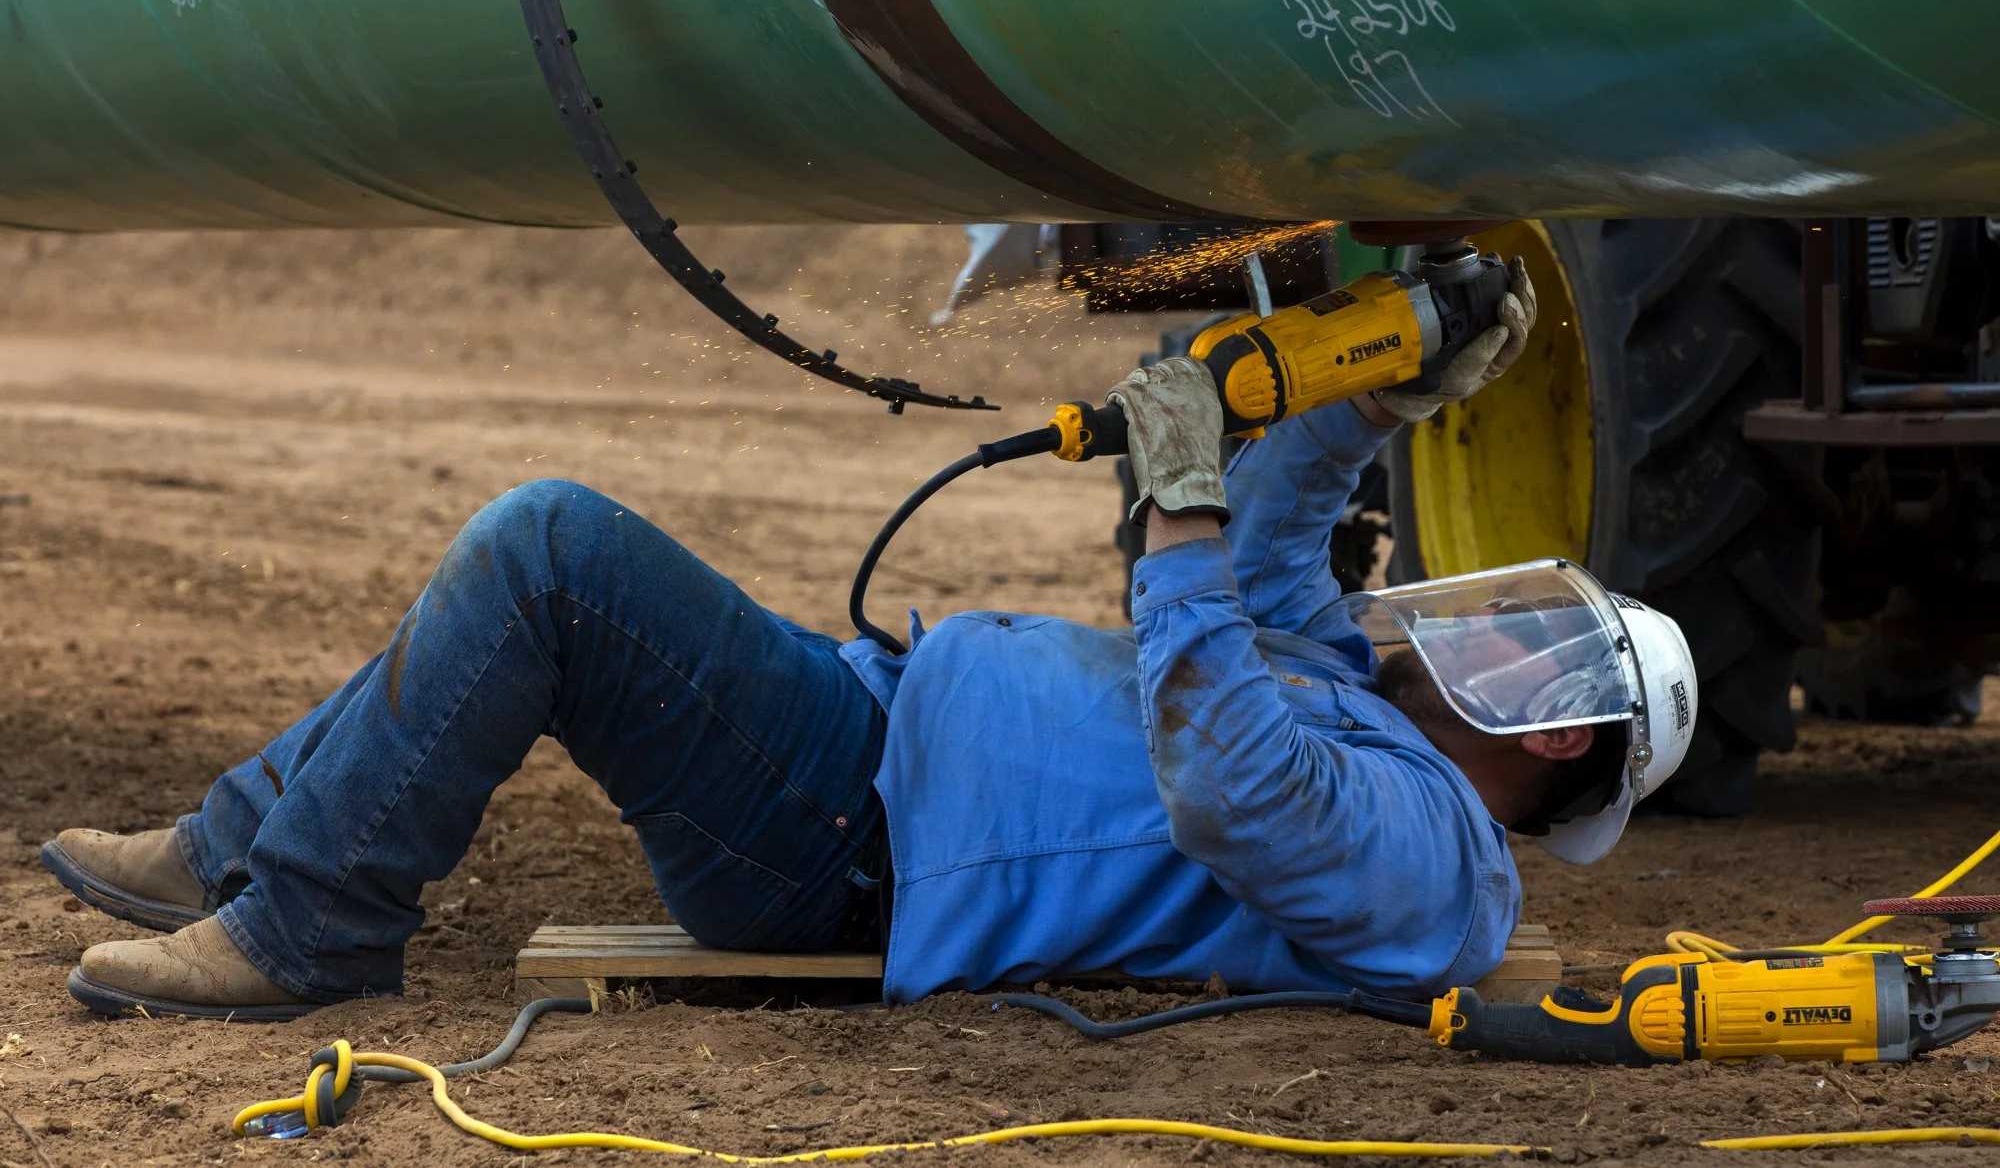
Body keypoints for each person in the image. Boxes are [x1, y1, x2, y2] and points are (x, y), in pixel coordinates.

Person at [43, 265, 1695, 1020]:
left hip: (853, 840)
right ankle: (237, 846)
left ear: (1555, 730)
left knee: (550, 552)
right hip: (864, 734)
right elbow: (1273, 565)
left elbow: (1235, 789)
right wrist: (1377, 402)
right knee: (543, 593)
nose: (1485, 620)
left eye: (1533, 635)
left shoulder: (1441, 871)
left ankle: (312, 931)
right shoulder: (1379, 715)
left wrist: (1171, 513)